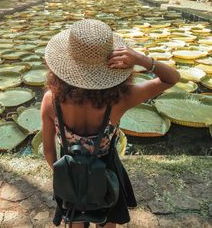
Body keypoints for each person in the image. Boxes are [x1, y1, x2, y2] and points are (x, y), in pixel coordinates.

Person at [41, 19, 180, 228]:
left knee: (75, 221)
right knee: (107, 222)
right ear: (111, 62)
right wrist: (142, 60)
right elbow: (171, 79)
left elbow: (49, 151)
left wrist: (65, 175)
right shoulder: (121, 99)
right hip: (107, 175)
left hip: (70, 173)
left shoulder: (51, 100)